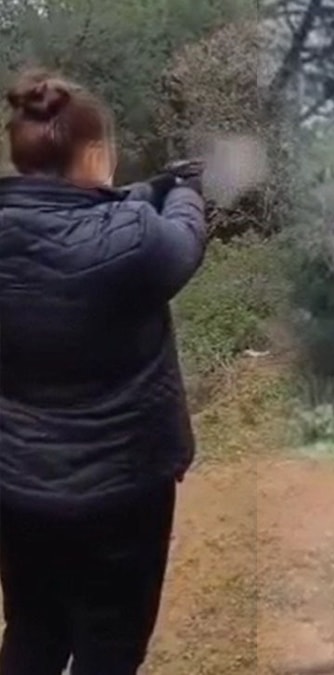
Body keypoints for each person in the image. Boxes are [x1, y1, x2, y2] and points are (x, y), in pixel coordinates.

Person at [0, 69, 207, 674]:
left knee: (32, 630)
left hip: (17, 483)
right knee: (110, 645)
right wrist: (186, 188)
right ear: (94, 153)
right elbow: (184, 240)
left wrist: (150, 187)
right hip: (122, 491)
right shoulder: (135, 239)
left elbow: (79, 214)